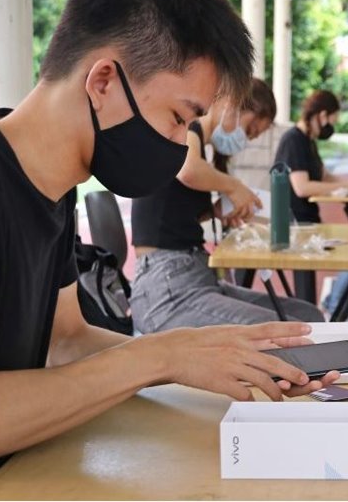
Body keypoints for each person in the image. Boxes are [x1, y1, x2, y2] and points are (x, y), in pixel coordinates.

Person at [0, 0, 337, 499]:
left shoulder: (52, 189)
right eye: (178, 118)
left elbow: (65, 342)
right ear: (103, 80)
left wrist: (201, 356)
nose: (181, 140)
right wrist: (160, 354)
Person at [130, 78, 323, 332]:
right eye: (251, 128)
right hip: (166, 285)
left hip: (194, 273)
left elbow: (171, 215)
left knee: (308, 315)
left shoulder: (202, 151)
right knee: (294, 331)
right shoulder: (188, 128)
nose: (247, 138)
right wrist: (234, 187)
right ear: (231, 104)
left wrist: (216, 212)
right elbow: (186, 170)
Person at [273, 90, 348, 304]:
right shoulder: (293, 140)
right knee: (308, 281)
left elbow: (324, 176)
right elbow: (302, 187)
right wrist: (346, 185)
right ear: (322, 115)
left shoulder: (308, 140)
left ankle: (329, 306)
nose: (331, 127)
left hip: (307, 219)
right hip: (294, 222)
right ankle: (319, 313)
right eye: (331, 120)